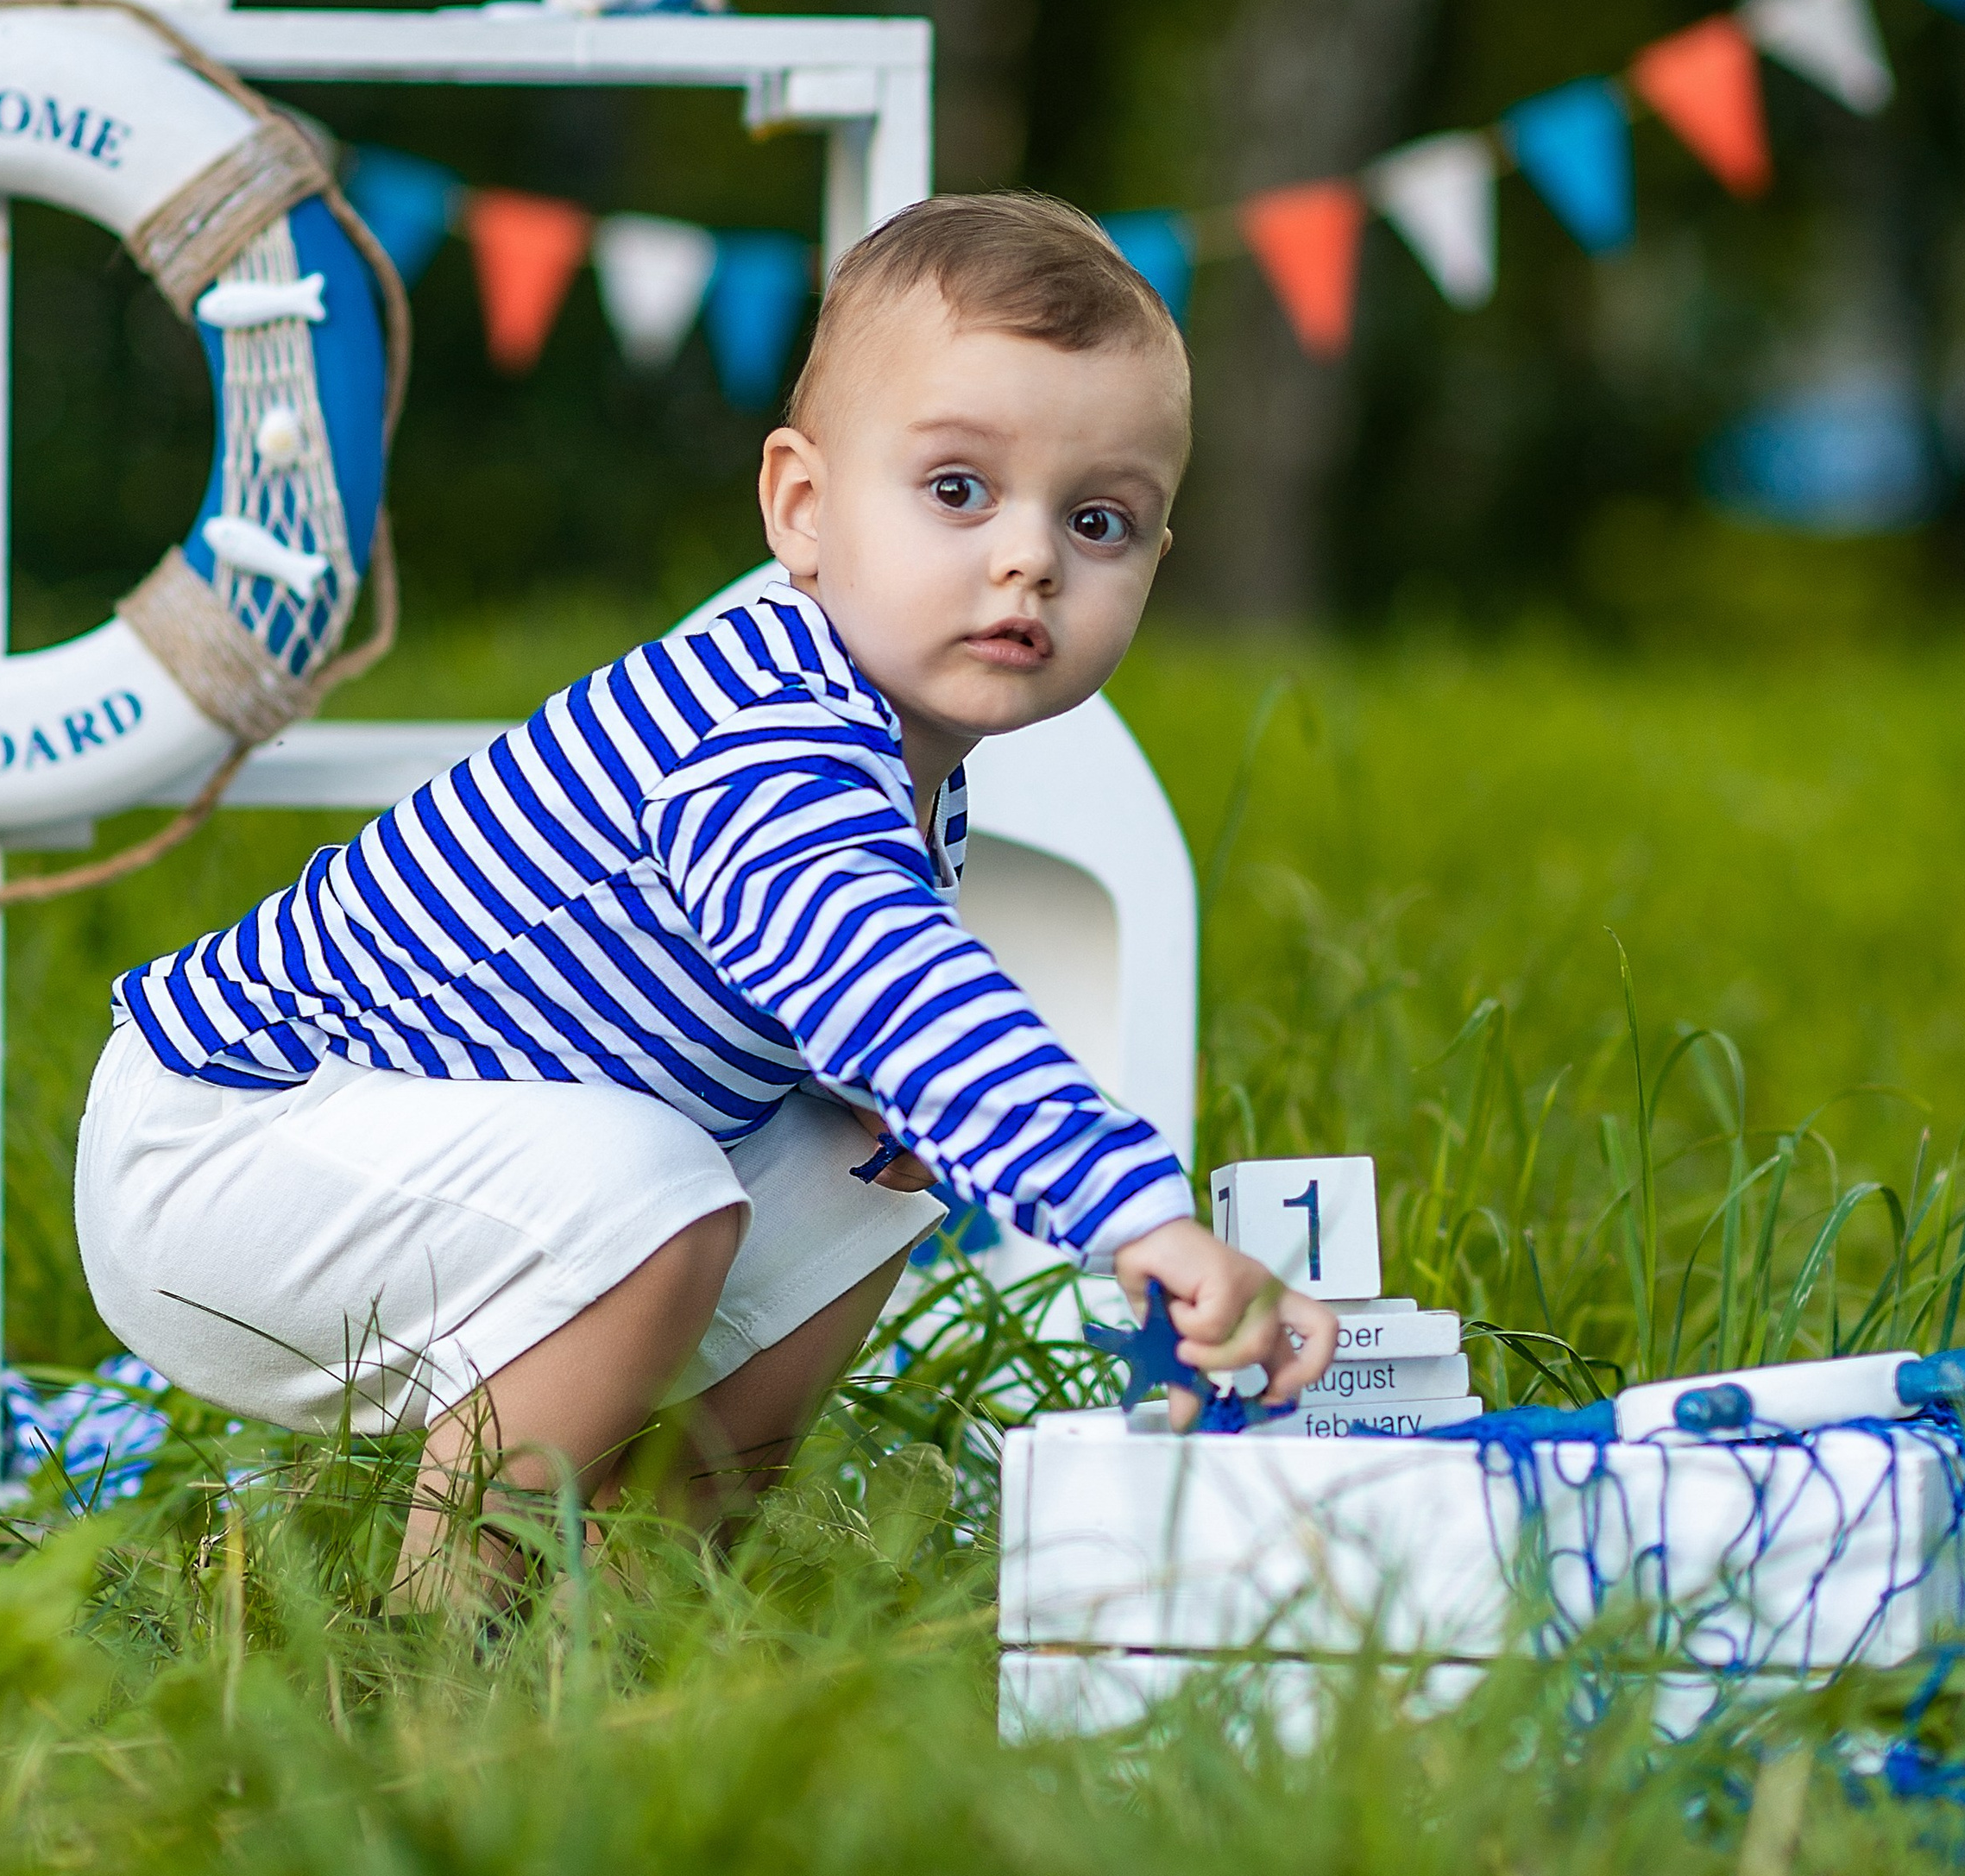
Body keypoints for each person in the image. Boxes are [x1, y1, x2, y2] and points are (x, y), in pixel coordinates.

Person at [75, 192, 1338, 1596]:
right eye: (959, 489)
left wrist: (885, 1097)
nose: (1028, 555)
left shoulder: (907, 759)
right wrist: (1137, 1216)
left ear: (1153, 563)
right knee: (652, 1190)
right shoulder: (761, 733)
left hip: (410, 1154)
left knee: (874, 1180)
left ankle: (647, 1598)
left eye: (1098, 518)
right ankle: (444, 1636)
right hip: (229, 1139)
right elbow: (893, 987)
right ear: (803, 507)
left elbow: (837, 1007)